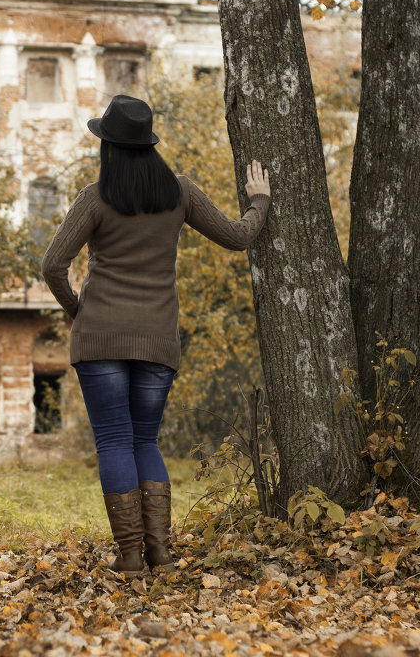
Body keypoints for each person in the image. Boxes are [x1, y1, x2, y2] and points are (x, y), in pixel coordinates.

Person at [41, 94, 271, 576]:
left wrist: (77, 310)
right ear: (148, 145)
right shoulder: (179, 193)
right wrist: (259, 201)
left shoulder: (95, 197)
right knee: (145, 440)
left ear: (108, 146)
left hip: (100, 339)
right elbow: (237, 236)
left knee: (114, 442)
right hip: (157, 342)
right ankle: (161, 554)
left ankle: (129, 557)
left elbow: (53, 265)